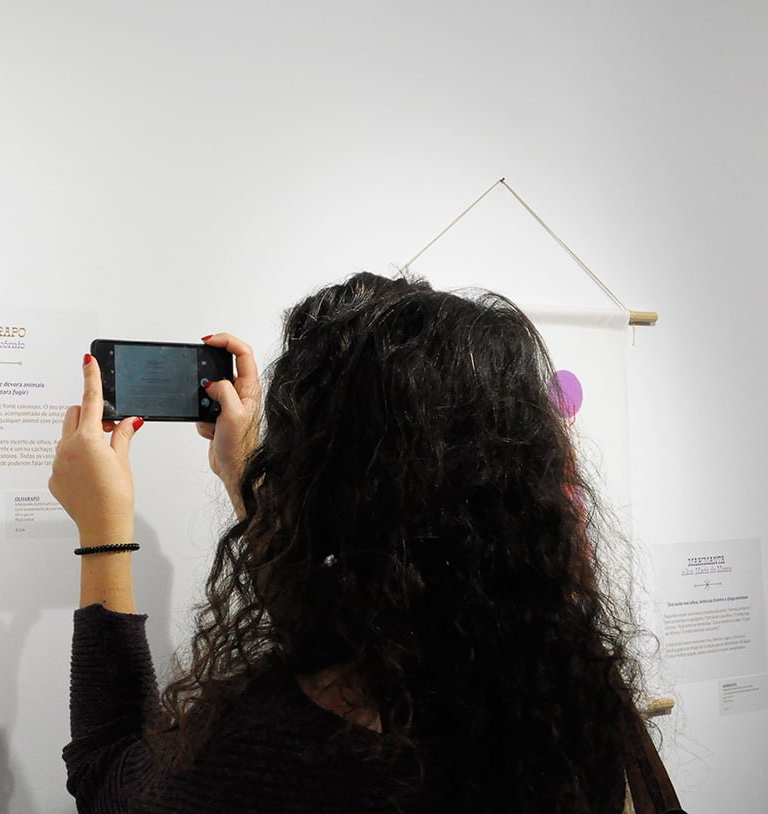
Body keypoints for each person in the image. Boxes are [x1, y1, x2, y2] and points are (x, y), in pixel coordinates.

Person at [48, 272, 658, 813]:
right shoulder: (570, 707)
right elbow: (351, 617)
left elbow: (109, 776)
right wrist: (243, 477)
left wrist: (104, 534)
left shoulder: (283, 753)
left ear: (325, 489)